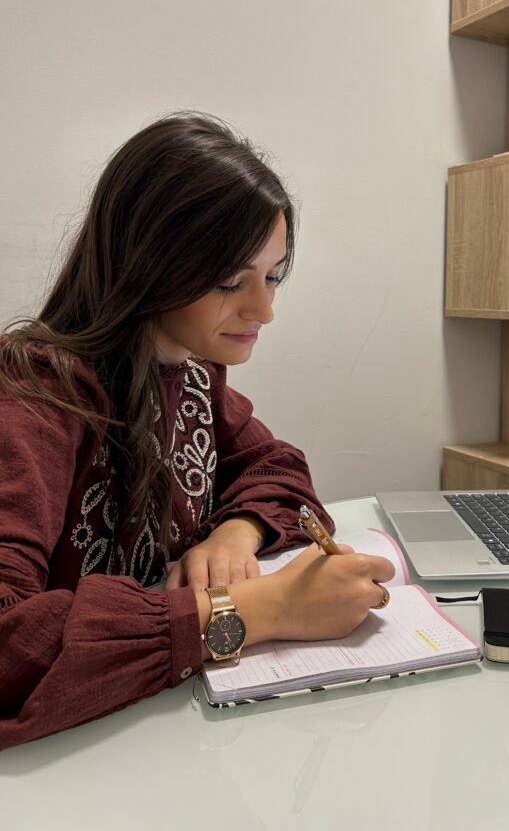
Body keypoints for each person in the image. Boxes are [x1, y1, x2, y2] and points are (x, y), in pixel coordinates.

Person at [0, 112, 394, 750]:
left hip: (160, 736)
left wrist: (235, 533)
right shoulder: (36, 395)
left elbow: (279, 467)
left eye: (273, 275)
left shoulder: (189, 375)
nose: (264, 310)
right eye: (230, 281)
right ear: (147, 263)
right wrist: (259, 612)